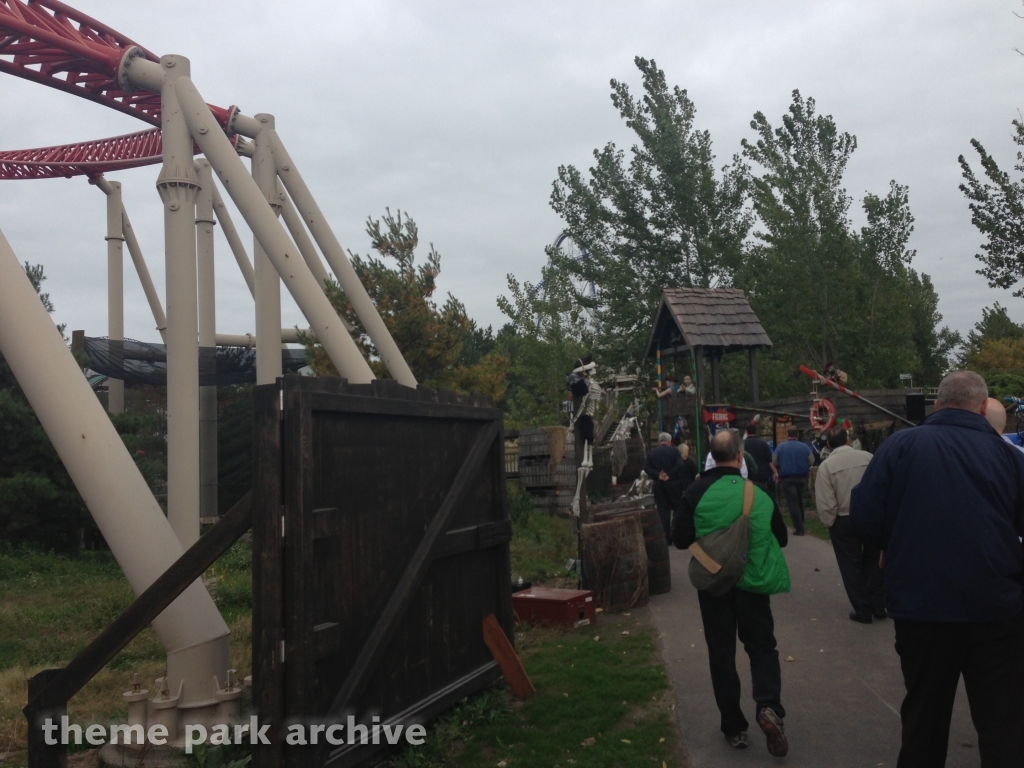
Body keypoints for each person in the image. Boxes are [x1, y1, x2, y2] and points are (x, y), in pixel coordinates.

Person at [850, 371, 1024, 766]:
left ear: (937, 405)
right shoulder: (1009, 458)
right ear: (983, 408)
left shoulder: (900, 447)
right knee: (1002, 723)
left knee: (924, 716)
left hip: (921, 605)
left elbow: (864, 513)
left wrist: (888, 544)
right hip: (996, 607)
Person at [673, 429, 791, 756]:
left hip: (713, 586)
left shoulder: (694, 492)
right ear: (740, 455)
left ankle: (734, 727)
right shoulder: (759, 492)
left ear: (712, 455)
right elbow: (781, 538)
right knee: (762, 646)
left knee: (721, 652)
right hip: (753, 584)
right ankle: (769, 706)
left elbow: (680, 539)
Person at [814, 426, 883, 623]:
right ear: (848, 440)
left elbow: (825, 500)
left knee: (850, 565)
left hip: (844, 517)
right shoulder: (868, 457)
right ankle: (879, 604)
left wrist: (830, 521)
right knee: (875, 560)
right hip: (870, 515)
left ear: (828, 444)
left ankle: (863, 609)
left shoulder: (827, 466)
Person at [772, 427, 814, 535]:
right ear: (798, 435)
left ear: (787, 435)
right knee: (799, 500)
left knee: (793, 502)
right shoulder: (804, 447)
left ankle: (799, 527)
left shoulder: (781, 447)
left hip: (787, 477)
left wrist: (781, 465)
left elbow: (774, 461)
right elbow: (811, 460)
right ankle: (801, 522)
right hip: (802, 477)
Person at [643, 432, 685, 538]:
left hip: (659, 484)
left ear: (659, 441)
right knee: (678, 508)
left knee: (663, 510)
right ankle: (674, 531)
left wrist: (658, 475)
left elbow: (646, 468)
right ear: (670, 441)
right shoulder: (675, 451)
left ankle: (665, 536)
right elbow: (680, 464)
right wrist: (669, 475)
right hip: (674, 483)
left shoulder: (652, 453)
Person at [744, 421, 778, 491]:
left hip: (748, 474)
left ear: (747, 432)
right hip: (762, 474)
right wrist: (775, 472)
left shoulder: (743, 444)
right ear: (756, 431)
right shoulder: (763, 443)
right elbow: (769, 461)